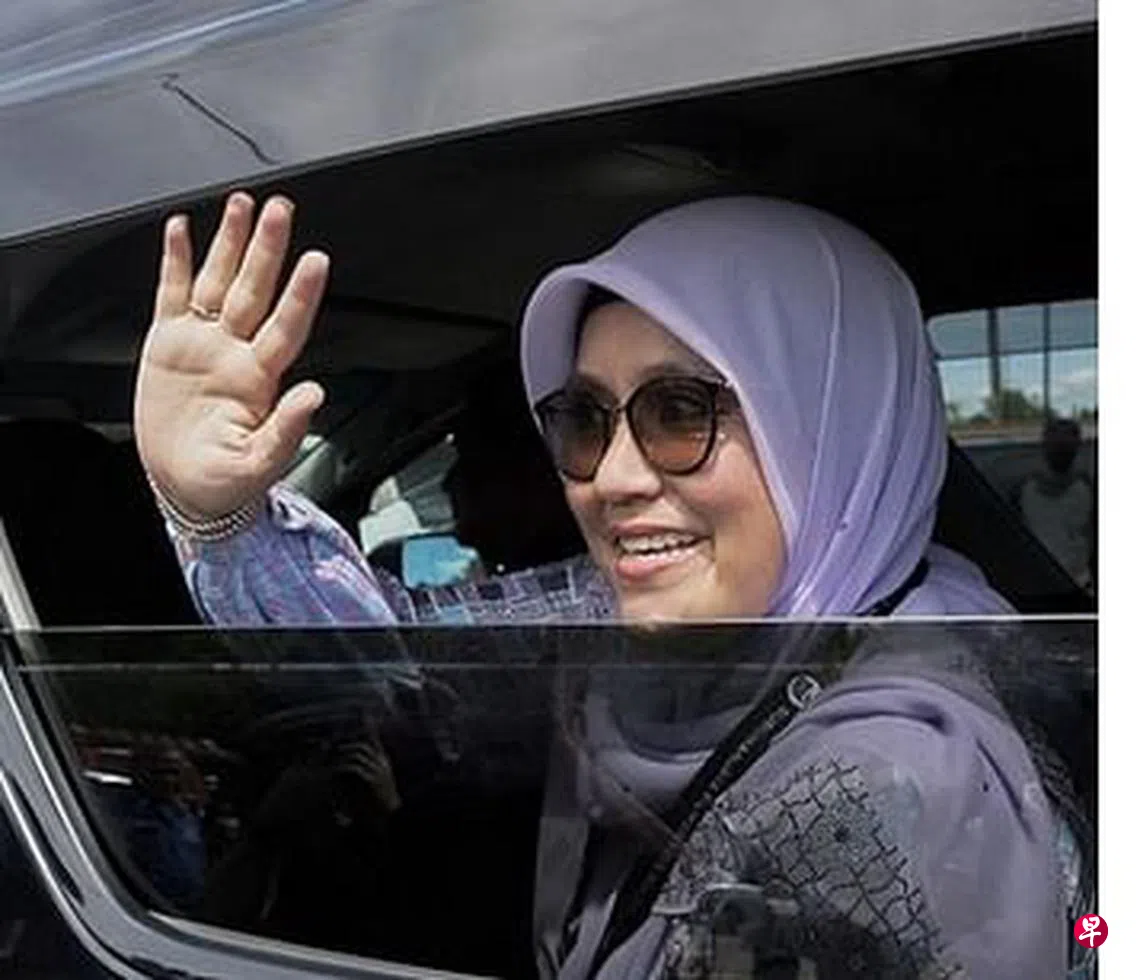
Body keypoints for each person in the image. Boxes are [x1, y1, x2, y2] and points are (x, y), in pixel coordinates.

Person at [133, 193, 1080, 977]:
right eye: (585, 418)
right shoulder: (694, 624)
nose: (612, 477)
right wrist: (218, 514)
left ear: (829, 426)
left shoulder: (878, 794)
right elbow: (401, 657)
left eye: (680, 411)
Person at [1015, 416, 1096, 592]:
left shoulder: (1023, 490)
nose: (1061, 446)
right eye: (1058, 443)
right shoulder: (1023, 491)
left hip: (1065, 584)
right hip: (1045, 584)